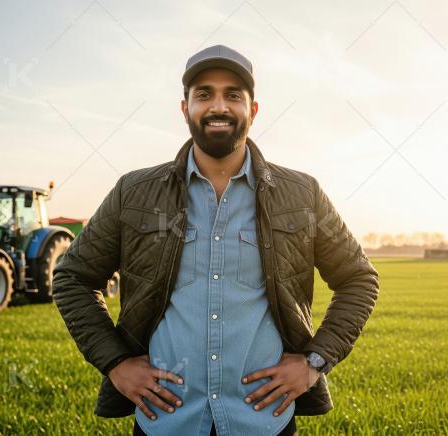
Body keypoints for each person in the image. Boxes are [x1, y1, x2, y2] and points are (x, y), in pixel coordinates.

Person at [52, 45, 379, 435]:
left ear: (252, 111)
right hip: (164, 423)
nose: (218, 106)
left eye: (233, 95)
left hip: (265, 423)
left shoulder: (301, 193)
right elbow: (72, 278)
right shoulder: (134, 192)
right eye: (204, 94)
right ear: (185, 108)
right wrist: (116, 364)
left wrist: (314, 362)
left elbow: (358, 279)